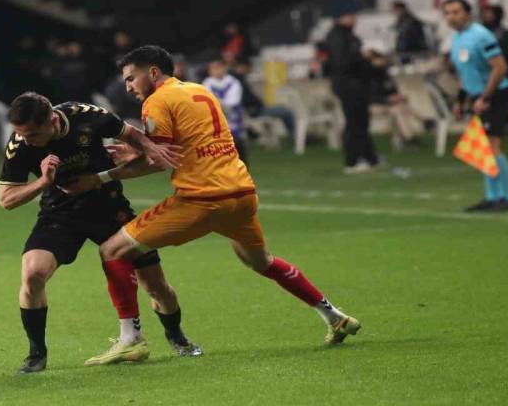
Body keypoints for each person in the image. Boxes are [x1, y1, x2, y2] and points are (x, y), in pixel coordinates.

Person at [61, 46, 361, 365]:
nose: (128, 87)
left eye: (131, 78)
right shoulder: (199, 90)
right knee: (261, 261)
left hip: (201, 200)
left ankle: (130, 339)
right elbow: (186, 142)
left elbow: (160, 160)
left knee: (112, 250)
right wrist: (139, 152)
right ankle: (335, 316)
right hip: (241, 194)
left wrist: (100, 178)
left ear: (153, 72)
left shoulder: (157, 101)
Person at [0, 92, 196, 372]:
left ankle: (176, 336)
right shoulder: (20, 145)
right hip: (60, 213)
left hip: (109, 206)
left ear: (52, 121)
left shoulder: (87, 116)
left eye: (32, 134)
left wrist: (148, 150)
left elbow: (130, 133)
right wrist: (43, 182)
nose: (26, 140)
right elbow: (7, 199)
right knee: (32, 274)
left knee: (155, 285)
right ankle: (36, 354)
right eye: (21, 134)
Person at [443, 0, 508, 212]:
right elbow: (465, 73)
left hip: (496, 95)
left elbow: (500, 67)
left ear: (467, 13)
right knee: (483, 147)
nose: (451, 17)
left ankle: (506, 197)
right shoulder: (457, 38)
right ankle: (492, 197)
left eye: (456, 12)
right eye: (447, 13)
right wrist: (460, 101)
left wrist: (485, 97)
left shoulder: (481, 36)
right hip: (478, 97)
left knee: (493, 145)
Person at [324, 4, 379, 173]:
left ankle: (370, 158)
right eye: (349, 15)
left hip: (357, 84)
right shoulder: (337, 37)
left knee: (362, 122)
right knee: (354, 123)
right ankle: (352, 161)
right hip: (348, 85)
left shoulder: (347, 35)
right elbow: (341, 62)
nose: (353, 19)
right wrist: (362, 57)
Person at [368, 51, 424, 145]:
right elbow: (368, 97)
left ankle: (409, 137)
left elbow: (392, 90)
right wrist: (388, 99)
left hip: (388, 105)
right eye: (381, 58)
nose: (384, 60)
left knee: (400, 107)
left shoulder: (384, 73)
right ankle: (421, 123)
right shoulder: (368, 75)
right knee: (399, 109)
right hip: (372, 106)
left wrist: (398, 97)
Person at [203, 59, 249, 166]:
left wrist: (219, 103)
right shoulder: (207, 83)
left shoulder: (233, 82)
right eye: (214, 68)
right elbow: (207, 100)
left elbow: (233, 100)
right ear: (210, 71)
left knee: (237, 143)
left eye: (219, 67)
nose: (217, 70)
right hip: (215, 119)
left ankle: (242, 165)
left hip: (233, 118)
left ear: (224, 68)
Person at [481, 5, 508, 79]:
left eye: (490, 13)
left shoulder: (504, 33)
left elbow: (504, 54)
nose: (487, 16)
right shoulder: (478, 32)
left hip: (499, 71)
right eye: (485, 13)